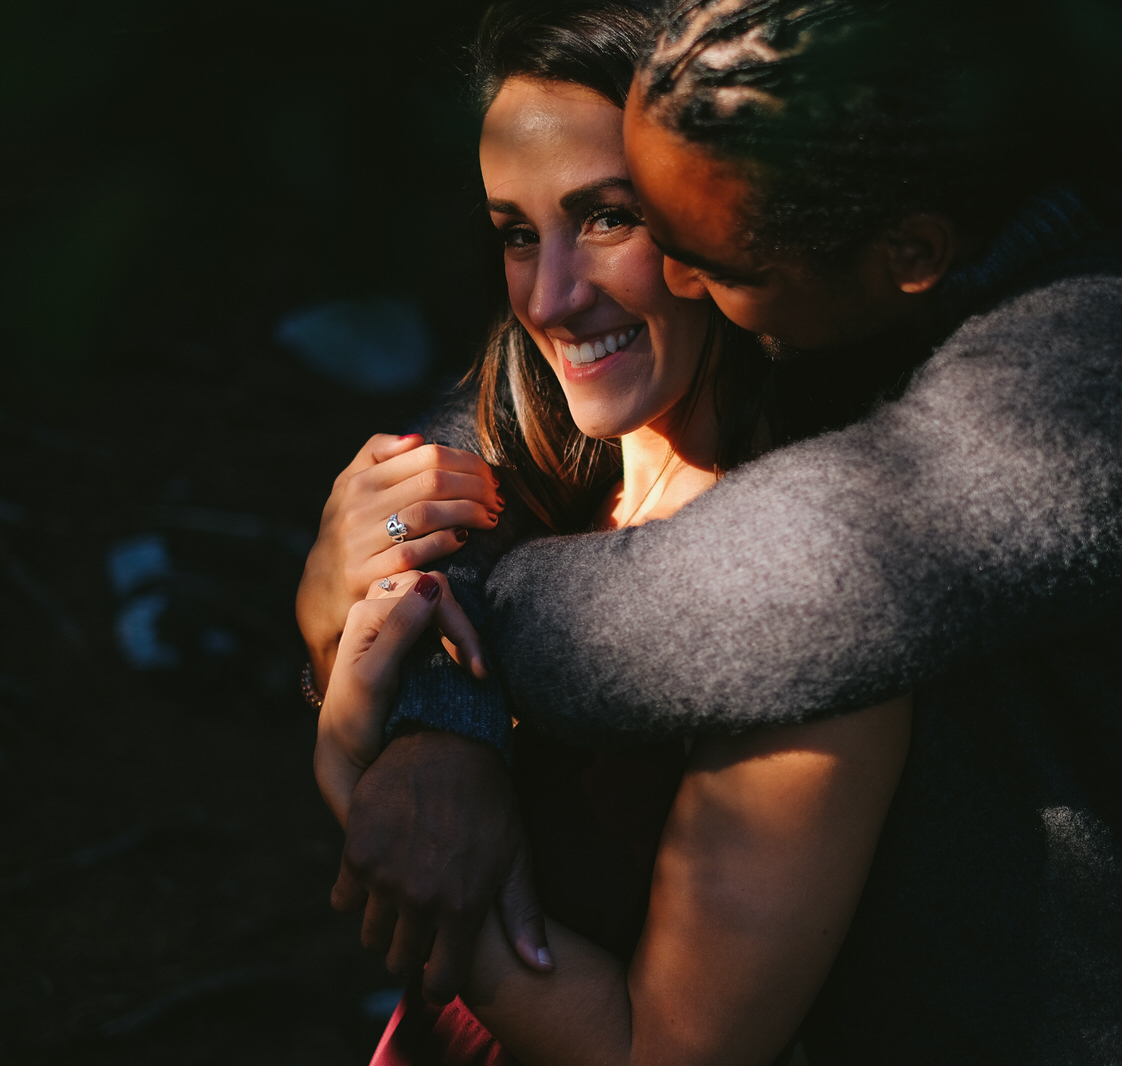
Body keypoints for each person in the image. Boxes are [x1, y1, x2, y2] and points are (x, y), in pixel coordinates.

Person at [311, 0, 1122, 1061]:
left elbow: (728, 598)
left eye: (692, 247)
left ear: (903, 251)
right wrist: (422, 604)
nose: (677, 276)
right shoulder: (862, 219)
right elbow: (511, 406)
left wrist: (429, 666)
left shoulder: (1119, 371)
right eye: (518, 233)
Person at [305, 3, 911, 1062]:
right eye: (515, 234)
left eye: (605, 218)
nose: (550, 297)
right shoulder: (516, 459)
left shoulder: (814, 590)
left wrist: (354, 775)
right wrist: (413, 707)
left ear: (721, 210)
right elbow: (344, 640)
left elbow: (669, 1052)